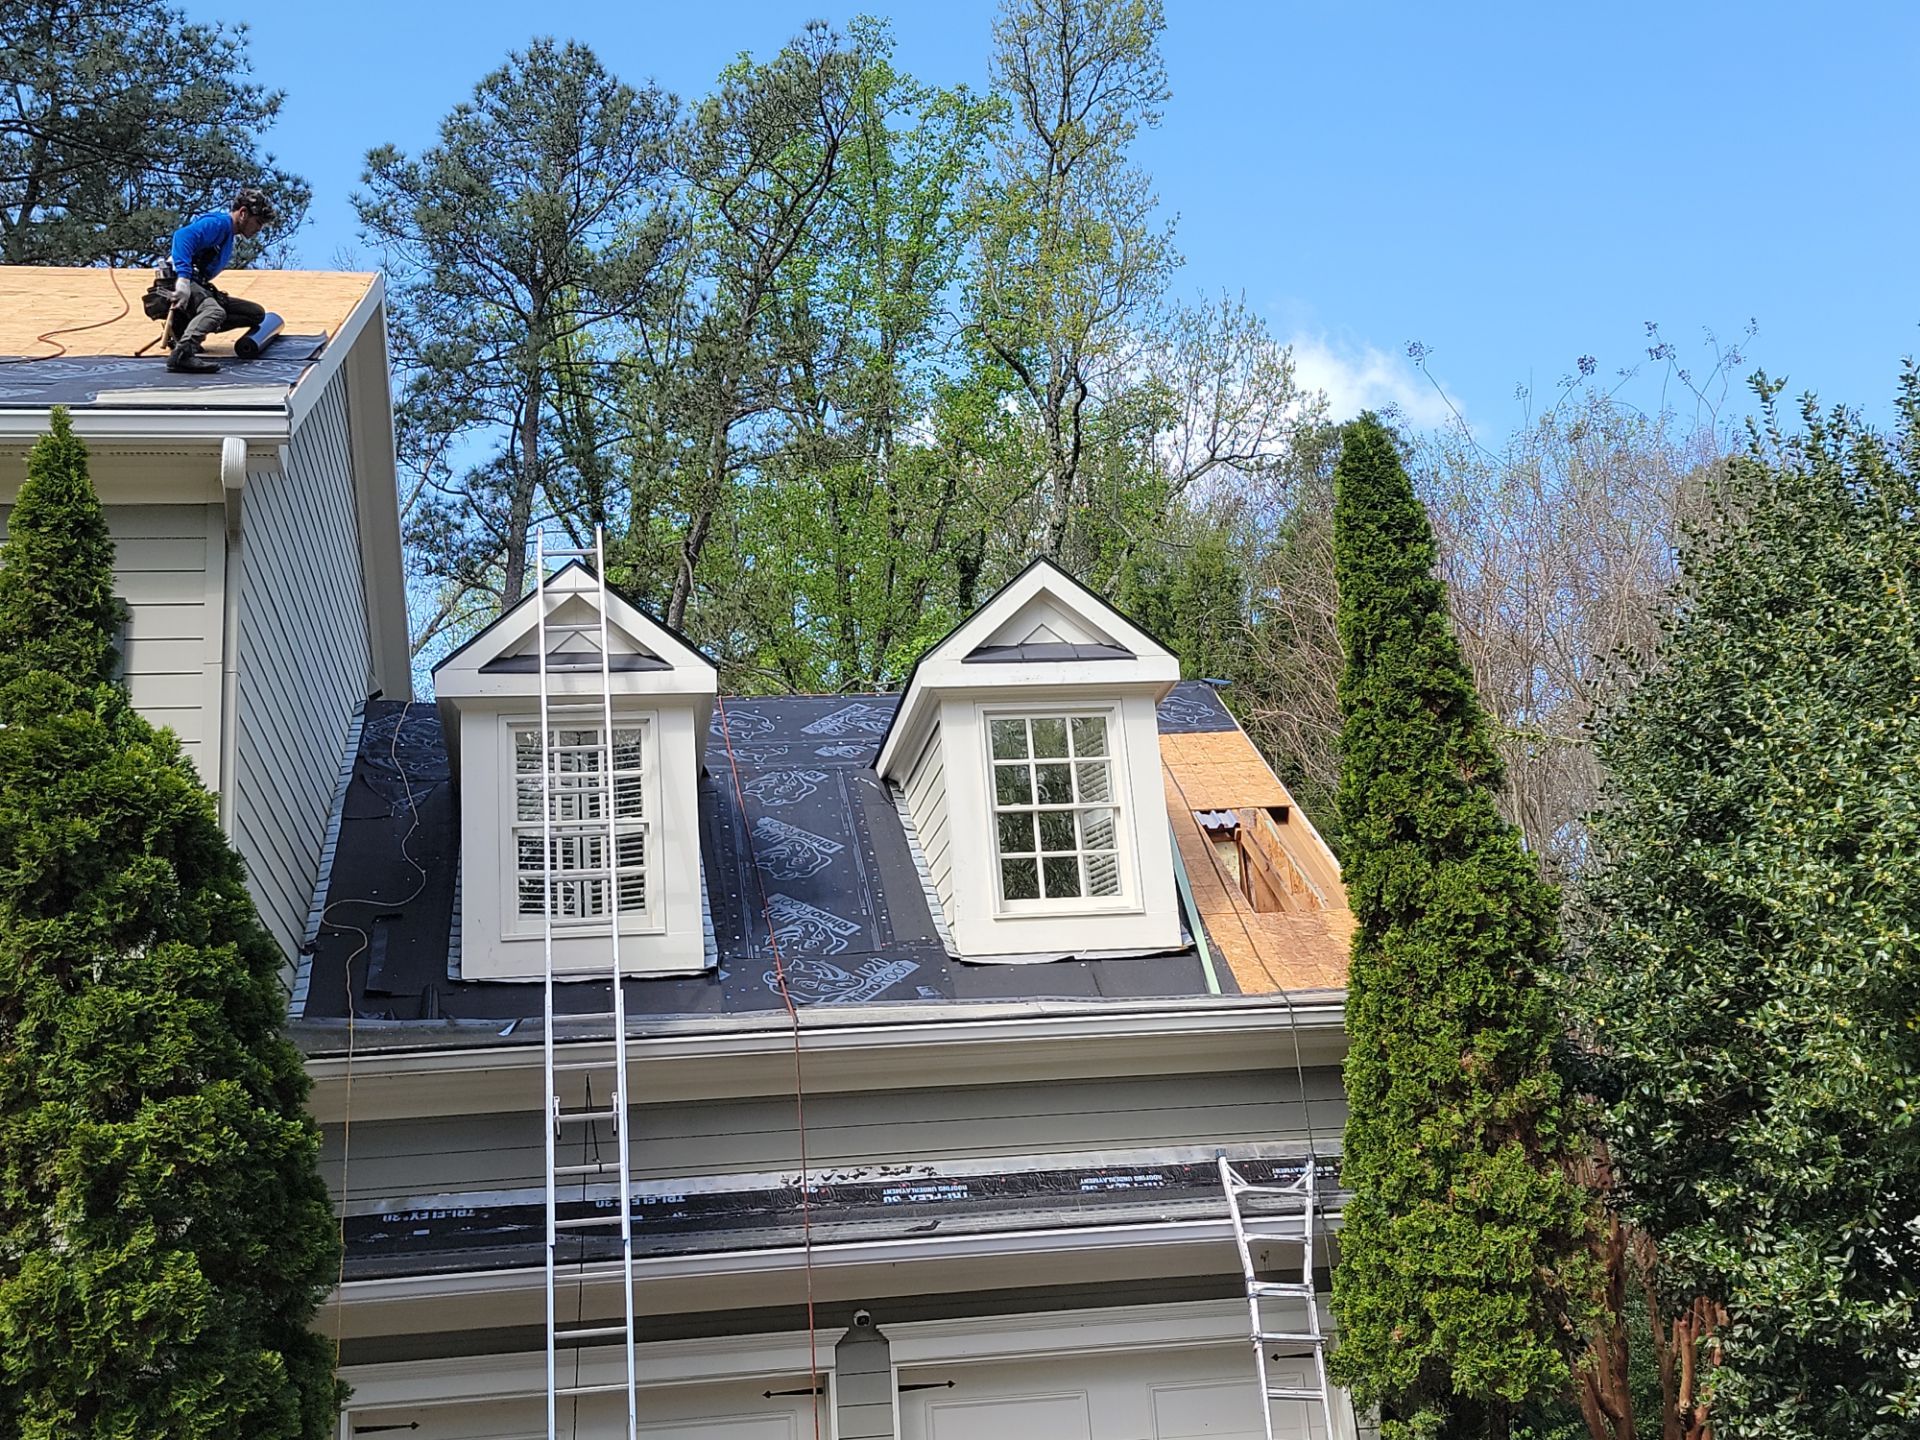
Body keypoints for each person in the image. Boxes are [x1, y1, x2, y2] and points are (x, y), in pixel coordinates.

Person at [160, 188, 276, 373]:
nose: (259, 228)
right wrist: (182, 279)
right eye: (258, 222)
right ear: (243, 213)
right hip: (180, 280)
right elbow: (182, 236)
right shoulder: (219, 224)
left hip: (197, 284)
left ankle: (183, 329)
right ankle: (182, 354)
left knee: (255, 314)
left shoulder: (228, 235)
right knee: (215, 312)